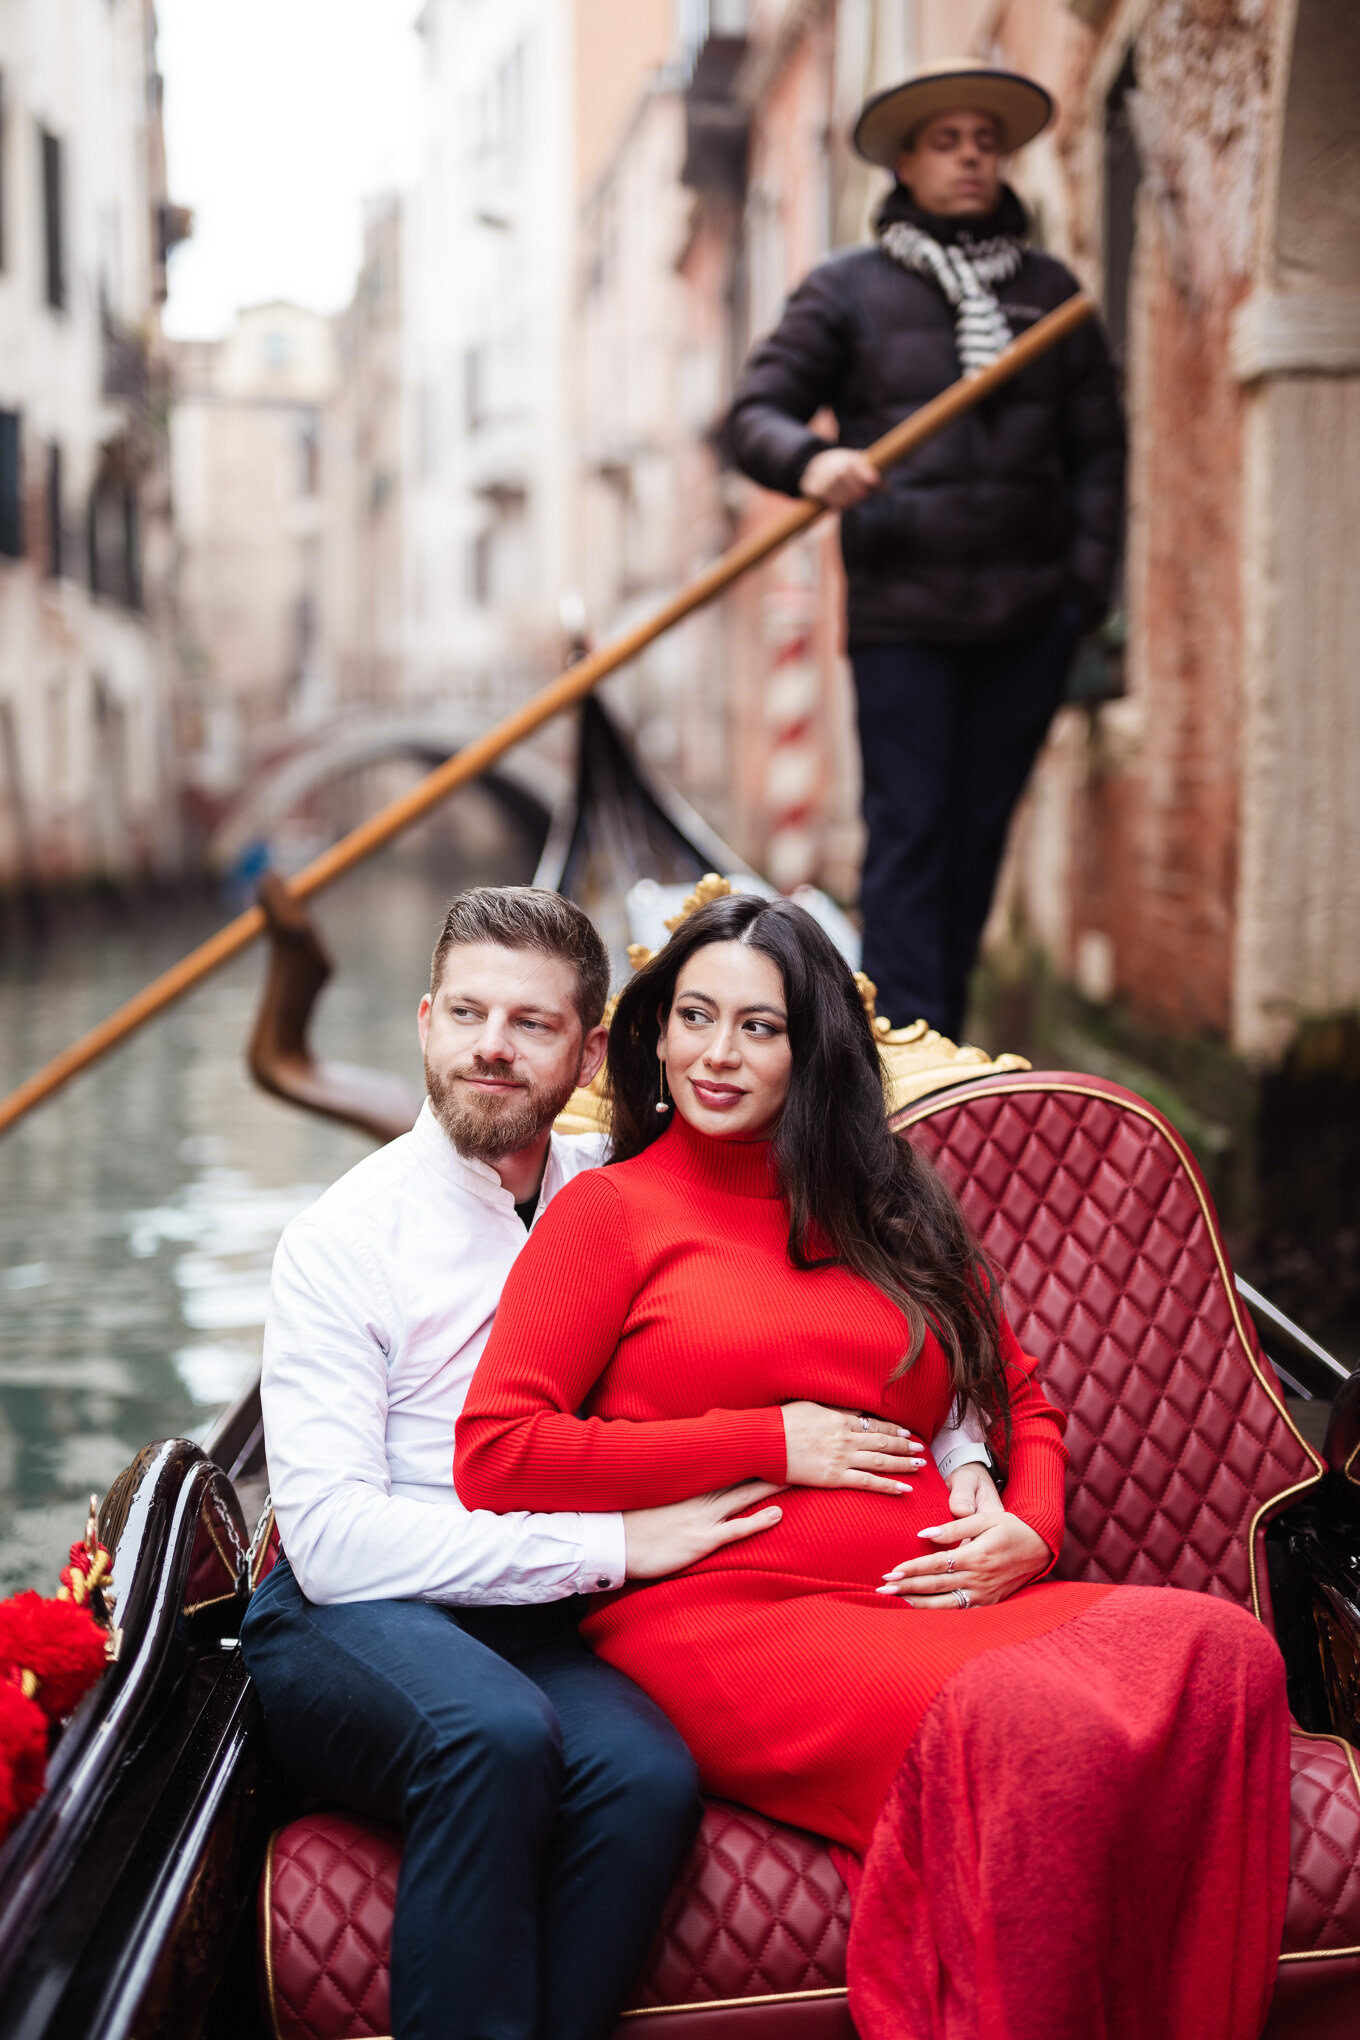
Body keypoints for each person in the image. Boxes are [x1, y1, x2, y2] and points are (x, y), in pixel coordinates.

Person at [455, 892, 1290, 2040]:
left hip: (937, 1600)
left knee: (1225, 1651)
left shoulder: (889, 1208)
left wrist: (1031, 1529)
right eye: (694, 1017)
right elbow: (499, 1453)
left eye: (760, 1026)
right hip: (720, 1613)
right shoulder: (608, 1213)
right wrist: (769, 1437)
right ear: (650, 1035)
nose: (717, 1052)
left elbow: (1018, 1394)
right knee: (1026, 1726)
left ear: (812, 1051)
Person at [239, 882, 993, 2040]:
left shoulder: (625, 1187)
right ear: (426, 1021)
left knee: (646, 1781)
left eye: (531, 1024)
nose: (493, 1048)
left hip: (542, 1619)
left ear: (589, 1048)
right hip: (364, 1604)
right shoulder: (342, 1241)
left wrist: (966, 1453)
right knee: (488, 1736)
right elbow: (335, 1543)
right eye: (469, 1015)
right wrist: (617, 1545)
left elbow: (879, 1328)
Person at [725, 59, 1126, 1042]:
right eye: (947, 142)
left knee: (978, 839)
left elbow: (1100, 456)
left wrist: (1079, 594)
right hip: (904, 615)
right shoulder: (846, 291)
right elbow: (753, 415)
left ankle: (939, 1046)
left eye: (984, 143)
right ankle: (907, 1066)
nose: (970, 159)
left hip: (1029, 616)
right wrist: (814, 462)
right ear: (905, 161)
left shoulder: (1052, 296)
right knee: (909, 839)